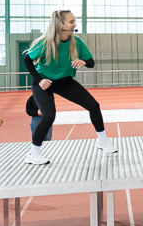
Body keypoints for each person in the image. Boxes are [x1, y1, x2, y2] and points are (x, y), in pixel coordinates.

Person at [24, 10, 114, 165]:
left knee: (93, 106)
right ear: (60, 24)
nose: (75, 24)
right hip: (44, 82)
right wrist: (39, 80)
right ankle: (33, 153)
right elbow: (27, 60)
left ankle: (102, 140)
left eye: (74, 21)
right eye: (71, 22)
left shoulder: (76, 42)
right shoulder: (45, 42)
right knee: (48, 116)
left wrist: (83, 62)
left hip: (64, 81)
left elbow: (91, 62)